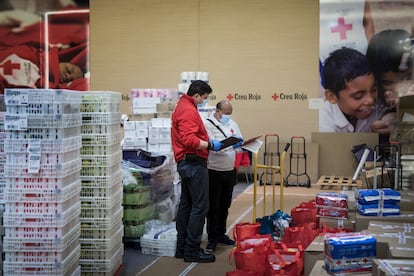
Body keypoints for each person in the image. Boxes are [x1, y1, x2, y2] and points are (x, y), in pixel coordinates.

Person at [171, 80, 222, 263]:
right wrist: (210, 145)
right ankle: (192, 250)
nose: (204, 102)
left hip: (187, 163)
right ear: (197, 95)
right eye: (204, 98)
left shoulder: (183, 106)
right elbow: (189, 139)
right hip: (193, 162)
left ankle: (182, 247)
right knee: (200, 207)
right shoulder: (188, 110)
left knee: (187, 204)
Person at [203, 100, 243, 253]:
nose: (228, 116)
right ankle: (212, 238)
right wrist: (225, 146)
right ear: (218, 111)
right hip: (213, 170)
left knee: (225, 205)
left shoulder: (233, 124)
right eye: (225, 113)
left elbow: (239, 141)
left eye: (230, 114)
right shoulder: (208, 124)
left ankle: (221, 234)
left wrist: (239, 145)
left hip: (229, 170)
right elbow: (211, 147)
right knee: (213, 206)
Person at [319, 47, 387, 132]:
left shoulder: (380, 106)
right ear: (332, 97)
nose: (370, 100)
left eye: (374, 90)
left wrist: (390, 116)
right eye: (358, 96)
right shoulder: (323, 122)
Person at [366, 29, 414, 136]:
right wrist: (373, 135)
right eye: (387, 83)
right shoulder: (369, 105)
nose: (399, 90)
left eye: (406, 79)